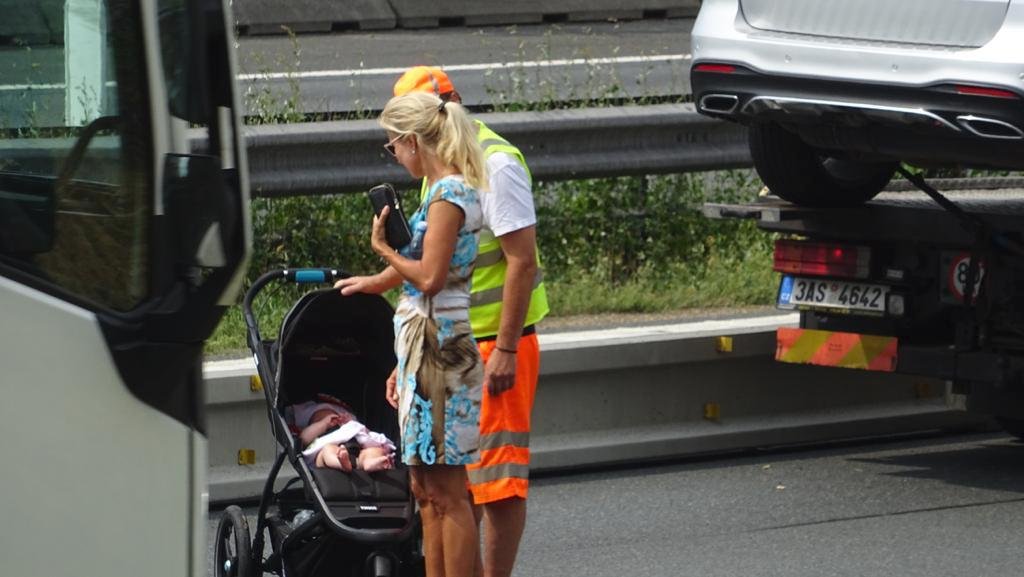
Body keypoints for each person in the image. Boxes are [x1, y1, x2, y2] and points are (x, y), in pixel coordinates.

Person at [391, 66, 549, 577]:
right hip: (448, 344)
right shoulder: (441, 173)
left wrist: (504, 348)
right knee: (446, 484)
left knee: (497, 484)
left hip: (493, 346)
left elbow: (521, 261)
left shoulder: (494, 164)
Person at [335, 89, 487, 577]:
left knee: (446, 491)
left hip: (441, 350)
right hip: (422, 349)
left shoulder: (450, 196)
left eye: (392, 146)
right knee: (422, 487)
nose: (395, 157)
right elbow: (417, 270)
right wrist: (372, 284)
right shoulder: (436, 195)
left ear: (412, 141)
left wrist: (382, 248)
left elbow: (429, 276)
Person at [292, 400, 395, 472]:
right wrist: (323, 423)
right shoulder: (317, 428)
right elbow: (303, 439)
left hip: (357, 446)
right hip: (333, 451)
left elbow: (364, 433)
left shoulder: (350, 426)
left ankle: (367, 463)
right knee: (327, 452)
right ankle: (342, 463)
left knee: (375, 450)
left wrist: (351, 423)